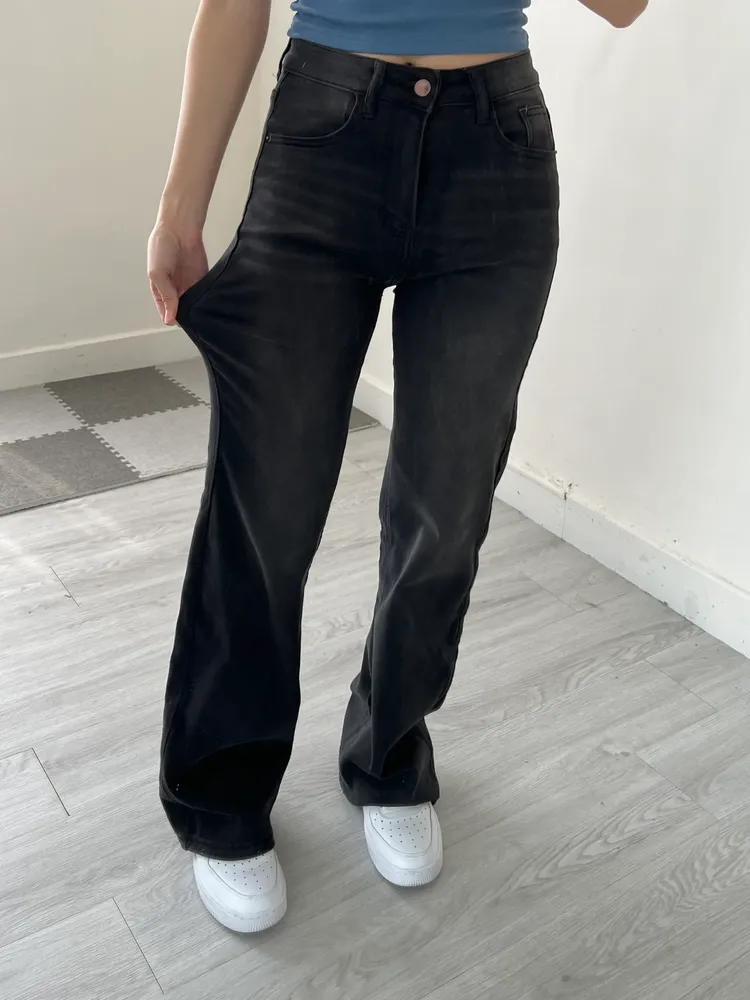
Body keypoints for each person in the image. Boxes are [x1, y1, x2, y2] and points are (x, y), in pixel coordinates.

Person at [148, 0, 648, 934]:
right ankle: (223, 793)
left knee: (447, 504)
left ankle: (390, 753)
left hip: (497, 146)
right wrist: (181, 206)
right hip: (325, 133)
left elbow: (625, 8)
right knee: (266, 502)